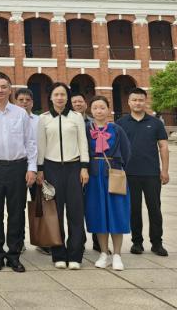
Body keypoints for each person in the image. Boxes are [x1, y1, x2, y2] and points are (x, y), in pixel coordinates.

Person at [0, 74, 36, 273]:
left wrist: (31, 168)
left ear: (10, 89)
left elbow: (30, 142)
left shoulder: (20, 113)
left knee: (17, 212)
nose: (0, 90)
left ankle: (14, 254)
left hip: (18, 167)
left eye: (4, 87)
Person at [36, 82, 89, 270]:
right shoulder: (43, 119)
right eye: (56, 95)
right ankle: (58, 253)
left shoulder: (76, 117)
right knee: (54, 213)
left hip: (74, 168)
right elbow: (40, 145)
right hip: (51, 169)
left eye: (63, 95)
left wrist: (84, 167)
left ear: (67, 98)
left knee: (75, 212)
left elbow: (83, 142)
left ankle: (75, 255)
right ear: (50, 97)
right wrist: (40, 169)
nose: (60, 98)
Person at [117, 87, 170, 257]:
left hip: (151, 174)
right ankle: (137, 242)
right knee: (133, 209)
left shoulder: (155, 123)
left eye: (141, 100)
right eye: (134, 100)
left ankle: (157, 243)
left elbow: (163, 146)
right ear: (129, 102)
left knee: (154, 208)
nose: (137, 103)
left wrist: (165, 170)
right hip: (129, 174)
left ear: (145, 101)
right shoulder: (121, 123)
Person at [85, 95, 131, 271]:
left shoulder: (117, 129)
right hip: (94, 175)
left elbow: (127, 152)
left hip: (113, 173)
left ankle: (117, 254)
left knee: (116, 212)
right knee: (98, 213)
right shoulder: (87, 129)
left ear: (108, 110)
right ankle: (104, 252)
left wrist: (118, 168)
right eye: (95, 107)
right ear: (91, 110)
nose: (99, 111)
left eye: (102, 107)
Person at [15, 87, 46, 255]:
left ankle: (43, 240)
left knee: (39, 205)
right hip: (18, 167)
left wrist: (38, 169)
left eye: (27, 100)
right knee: (17, 207)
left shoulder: (39, 120)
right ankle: (18, 241)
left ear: (32, 102)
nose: (24, 102)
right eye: (21, 100)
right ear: (16, 102)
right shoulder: (12, 119)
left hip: (37, 168)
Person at [70, 91, 99, 252]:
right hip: (75, 169)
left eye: (80, 101)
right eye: (74, 102)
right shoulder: (68, 122)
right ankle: (78, 240)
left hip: (92, 169)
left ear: (85, 104)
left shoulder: (94, 123)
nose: (78, 104)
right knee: (76, 207)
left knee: (94, 205)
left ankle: (97, 240)